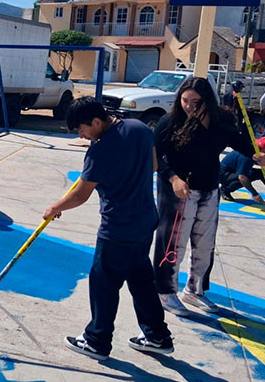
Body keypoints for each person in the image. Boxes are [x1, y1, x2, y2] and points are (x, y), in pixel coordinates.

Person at [44, 97, 173, 361]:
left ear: (96, 121)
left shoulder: (100, 151)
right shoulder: (139, 128)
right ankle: (157, 335)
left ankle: (97, 340)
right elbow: (155, 165)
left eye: (82, 130)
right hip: (145, 220)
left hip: (118, 227)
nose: (82, 136)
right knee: (140, 279)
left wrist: (55, 207)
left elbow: (80, 195)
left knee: (104, 283)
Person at [153, 77, 264, 316]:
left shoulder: (220, 121)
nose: (189, 106)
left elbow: (237, 141)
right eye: (185, 100)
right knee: (173, 242)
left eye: (195, 101)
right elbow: (154, 158)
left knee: (205, 244)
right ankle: (164, 291)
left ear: (207, 101)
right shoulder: (170, 121)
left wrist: (256, 156)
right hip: (178, 190)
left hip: (209, 187)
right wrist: (173, 178)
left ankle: (195, 289)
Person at [218, 137, 265, 203]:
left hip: (234, 170)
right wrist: (255, 194)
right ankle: (225, 190)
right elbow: (242, 177)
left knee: (260, 173)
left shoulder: (253, 151)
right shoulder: (246, 156)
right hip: (224, 175)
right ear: (262, 149)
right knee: (245, 178)